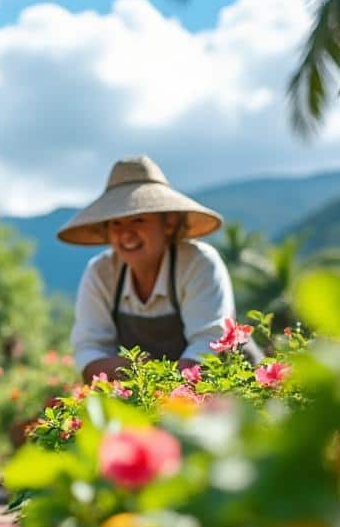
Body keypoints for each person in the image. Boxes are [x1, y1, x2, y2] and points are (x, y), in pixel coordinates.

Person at [59, 155, 256, 383]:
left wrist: (161, 385)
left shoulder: (198, 263)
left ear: (168, 223)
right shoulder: (101, 273)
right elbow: (89, 350)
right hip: (156, 394)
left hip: (235, 387)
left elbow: (208, 344)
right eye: (116, 223)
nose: (126, 234)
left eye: (138, 220)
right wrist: (134, 371)